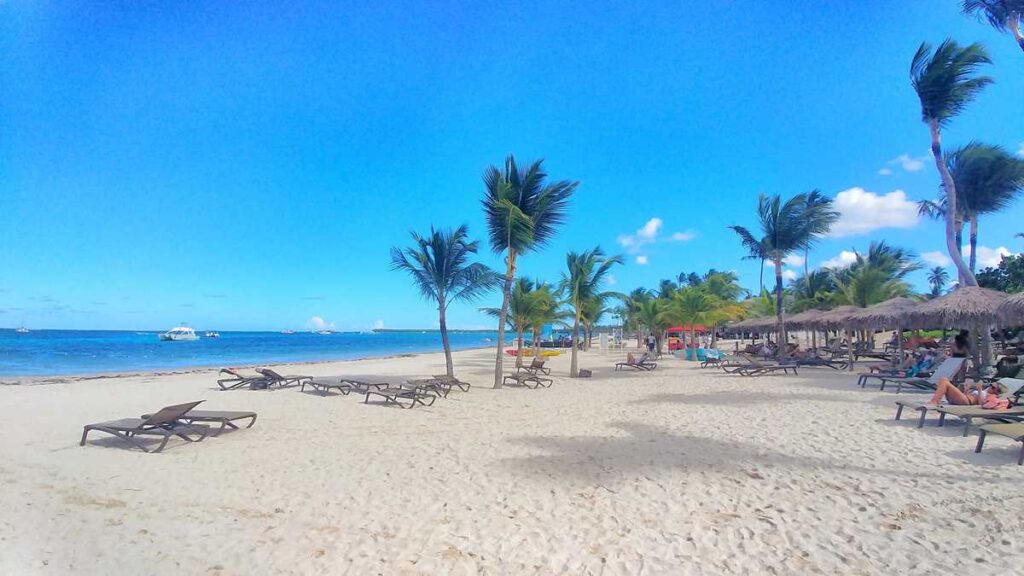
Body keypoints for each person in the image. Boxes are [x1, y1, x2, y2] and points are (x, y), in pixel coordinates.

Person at [926, 378, 1005, 407]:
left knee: (945, 381)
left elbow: (982, 404)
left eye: (993, 387)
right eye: (991, 385)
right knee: (943, 380)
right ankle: (935, 400)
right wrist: (967, 389)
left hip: (966, 402)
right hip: (963, 399)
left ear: (996, 391)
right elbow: (966, 396)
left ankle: (934, 401)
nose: (991, 387)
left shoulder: (991, 396)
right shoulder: (984, 391)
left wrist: (980, 390)